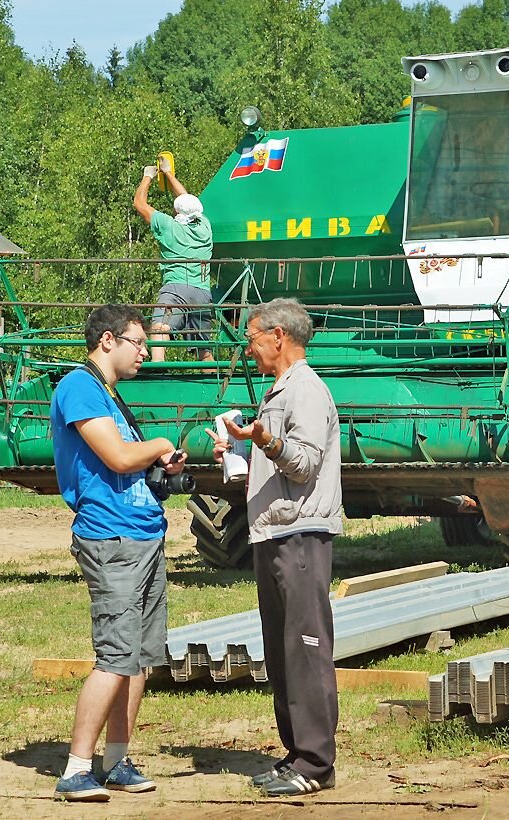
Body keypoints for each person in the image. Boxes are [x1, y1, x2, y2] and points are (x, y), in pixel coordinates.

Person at [50, 303, 187, 802]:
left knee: (140, 658)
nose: (146, 353)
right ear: (107, 340)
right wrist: (158, 445)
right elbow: (118, 456)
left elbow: (131, 462)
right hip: (111, 539)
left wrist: (161, 463)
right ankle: (76, 768)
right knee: (114, 657)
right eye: (139, 343)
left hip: (144, 533)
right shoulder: (79, 387)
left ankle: (116, 760)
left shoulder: (110, 395)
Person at [205, 298, 342, 797]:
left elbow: (304, 463)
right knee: (283, 651)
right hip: (276, 532)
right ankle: (296, 755)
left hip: (299, 534)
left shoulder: (305, 389)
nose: (248, 346)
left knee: (304, 650)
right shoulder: (280, 389)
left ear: (278, 336)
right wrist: (242, 447)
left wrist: (264, 440)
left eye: (252, 336)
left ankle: (315, 764)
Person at [133, 157, 213, 364]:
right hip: (203, 293)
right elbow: (187, 198)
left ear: (177, 211)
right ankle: (215, 386)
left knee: (160, 328)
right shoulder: (205, 227)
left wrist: (147, 176)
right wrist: (169, 174)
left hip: (176, 289)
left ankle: (158, 368)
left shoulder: (168, 226)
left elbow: (139, 203)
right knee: (203, 348)